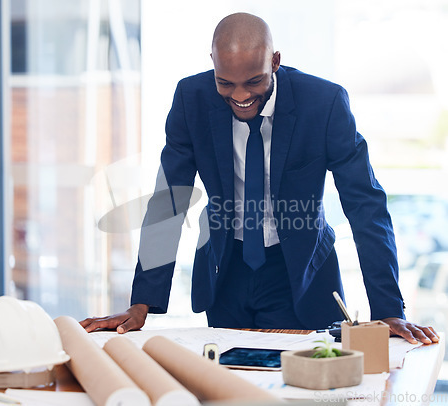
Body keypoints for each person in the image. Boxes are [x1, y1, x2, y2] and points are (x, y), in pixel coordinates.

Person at [81, 12, 438, 345]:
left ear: (275, 62)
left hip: (299, 274)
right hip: (225, 272)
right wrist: (142, 302)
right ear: (213, 63)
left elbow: (366, 206)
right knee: (230, 384)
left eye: (254, 81)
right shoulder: (191, 99)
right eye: (226, 83)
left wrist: (389, 309)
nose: (240, 96)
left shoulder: (323, 104)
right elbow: (169, 200)